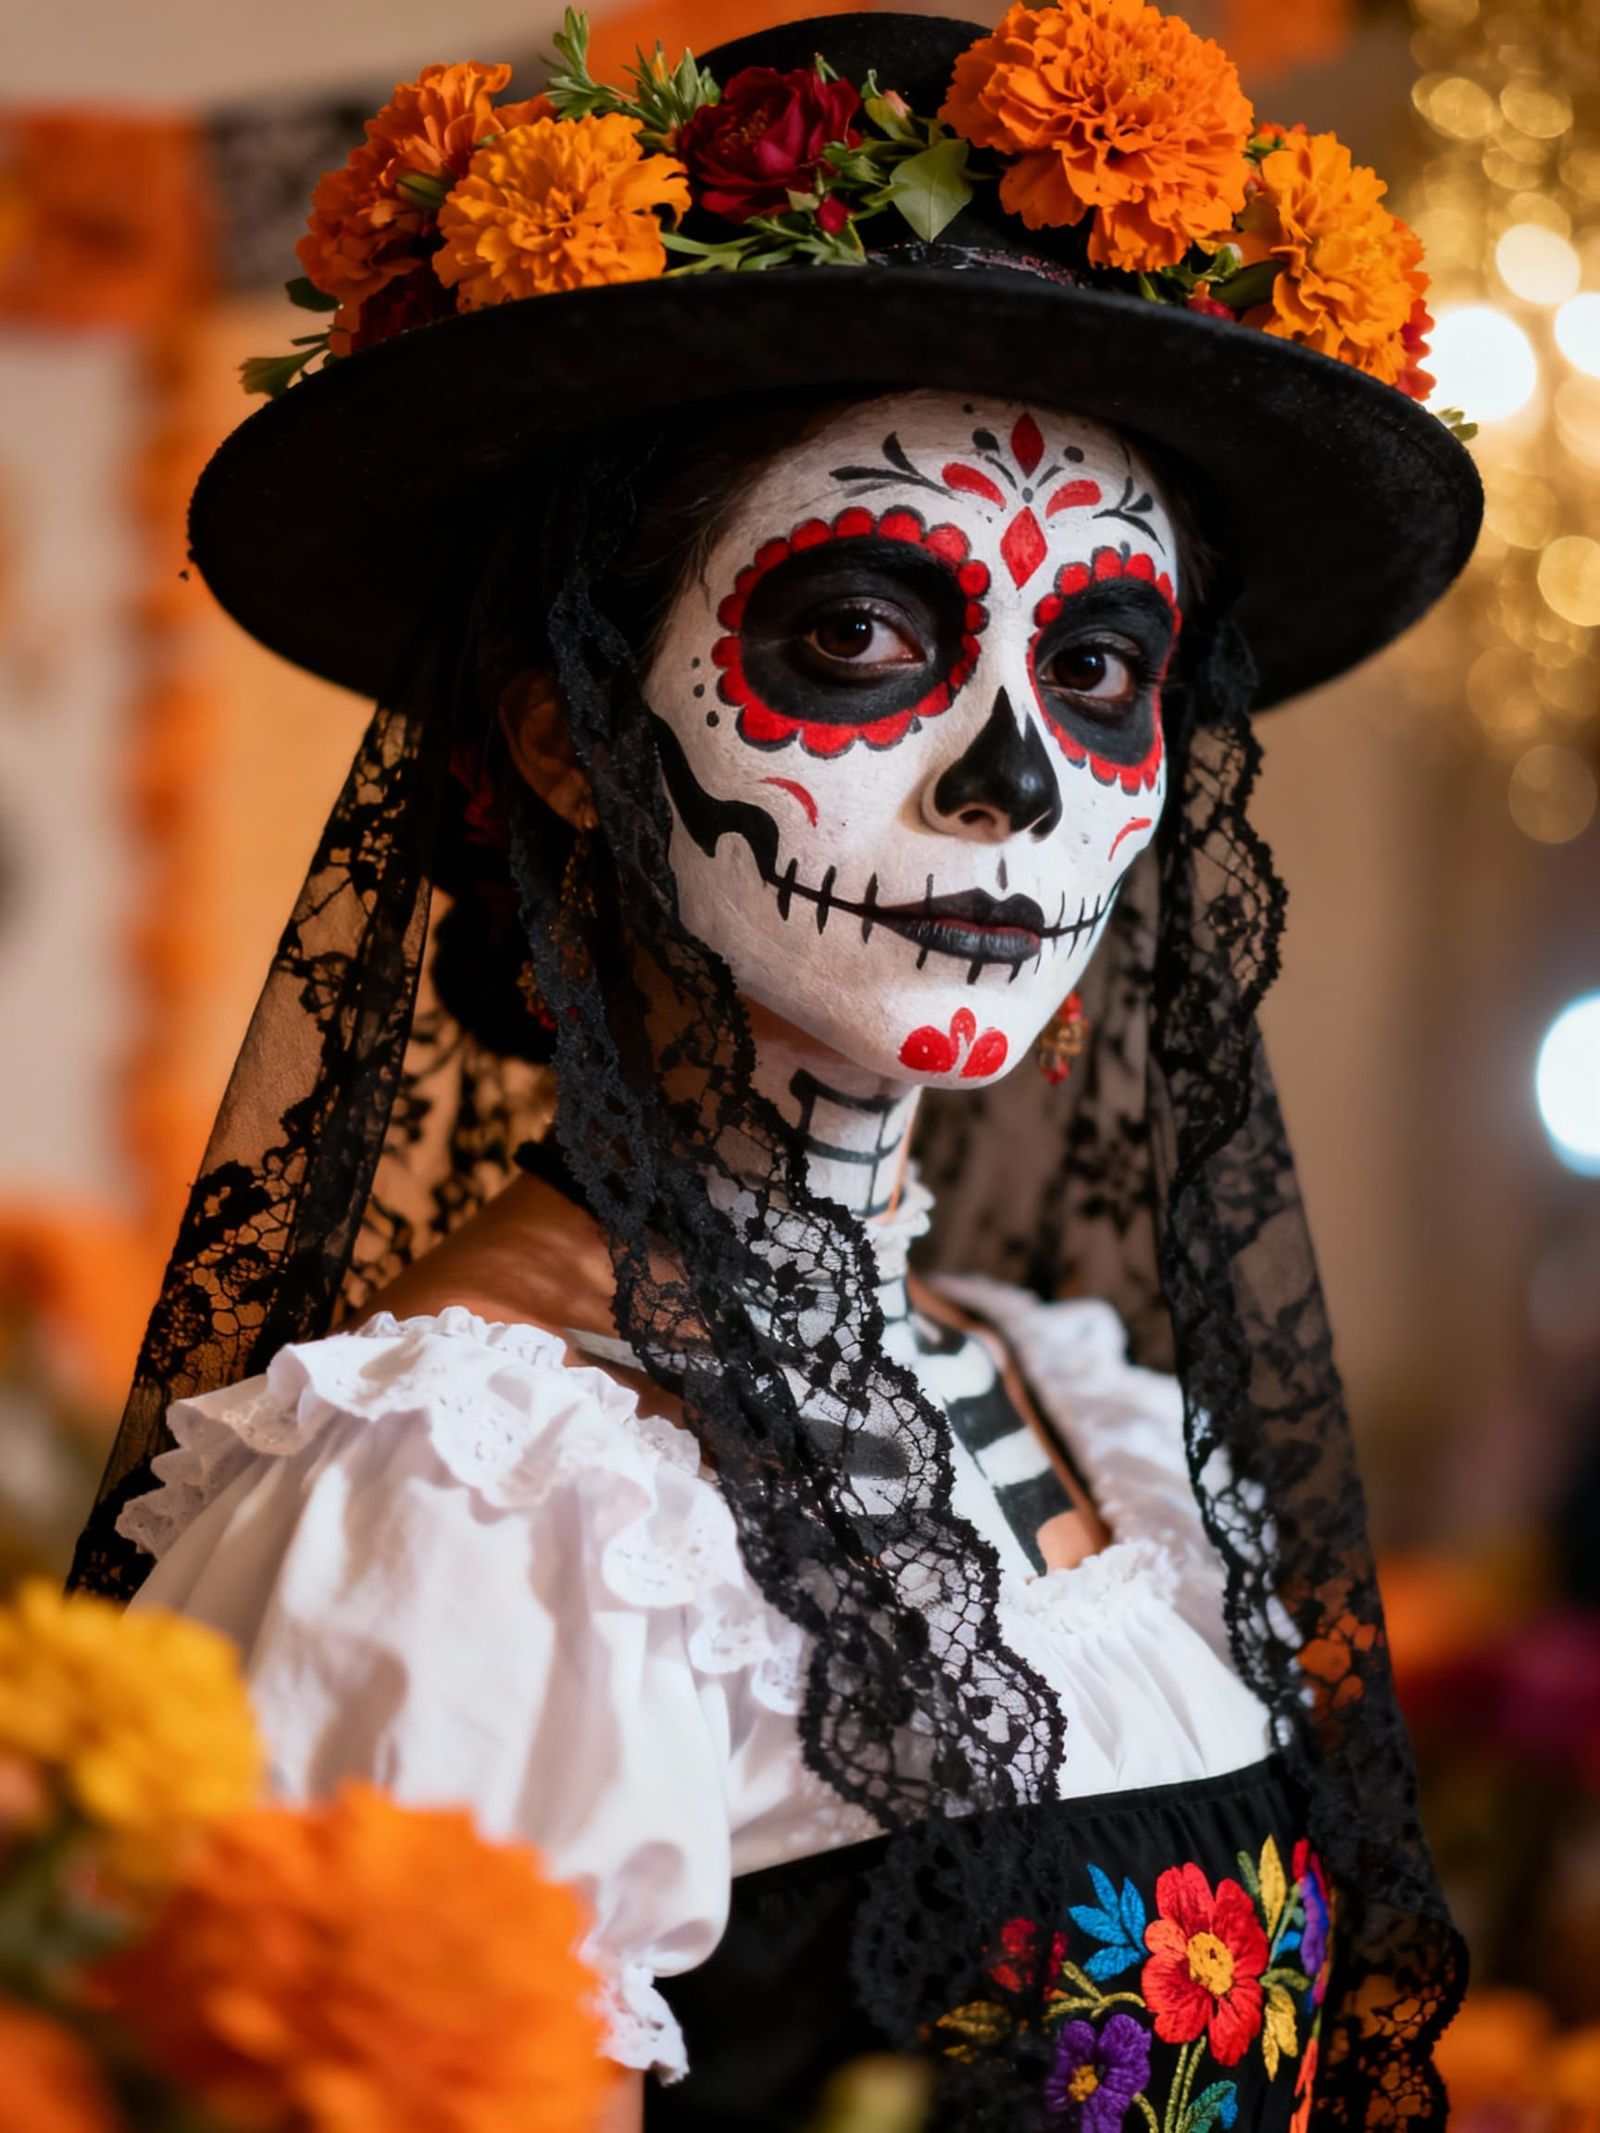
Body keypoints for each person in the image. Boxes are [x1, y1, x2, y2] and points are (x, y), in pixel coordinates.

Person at [69, 10, 1482, 2130]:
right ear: (562, 730)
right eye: (859, 637)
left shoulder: (1072, 1402)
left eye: (1096, 668)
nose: (1013, 778)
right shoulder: (469, 1513)